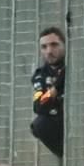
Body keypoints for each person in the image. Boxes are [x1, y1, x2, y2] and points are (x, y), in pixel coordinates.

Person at [30, 27, 65, 158]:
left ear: (64, 45)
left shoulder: (75, 65)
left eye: (54, 45)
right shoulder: (40, 76)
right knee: (39, 125)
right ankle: (65, 157)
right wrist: (56, 88)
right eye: (44, 47)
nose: (49, 51)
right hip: (60, 120)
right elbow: (39, 105)